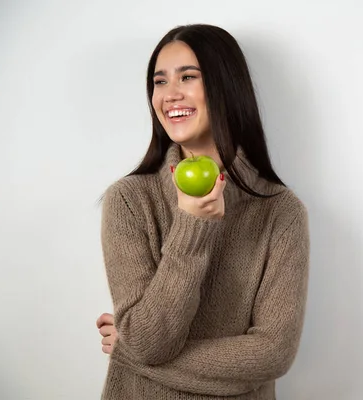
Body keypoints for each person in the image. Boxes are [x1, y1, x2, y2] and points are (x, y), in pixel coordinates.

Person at [95, 24, 310, 399]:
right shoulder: (129, 200)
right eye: (159, 82)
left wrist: (129, 350)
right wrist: (193, 227)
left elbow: (273, 354)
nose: (169, 94)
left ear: (226, 87)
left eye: (188, 77)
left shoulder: (281, 212)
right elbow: (150, 342)